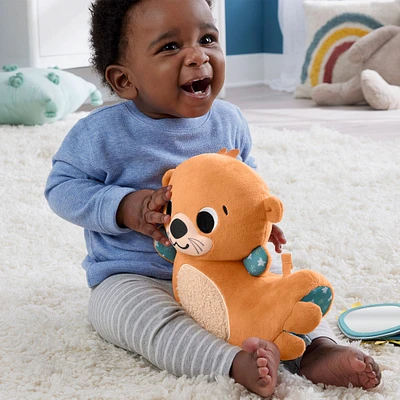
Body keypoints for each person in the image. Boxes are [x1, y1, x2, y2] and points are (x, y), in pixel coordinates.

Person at [45, 0, 381, 397]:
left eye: (207, 38)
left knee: (282, 286)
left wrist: (260, 223)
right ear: (123, 81)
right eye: (170, 47)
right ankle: (229, 362)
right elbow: (61, 187)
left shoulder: (229, 121)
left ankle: (315, 350)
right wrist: (124, 207)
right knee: (120, 312)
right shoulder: (99, 135)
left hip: (226, 269)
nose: (197, 55)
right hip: (138, 274)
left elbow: (247, 183)